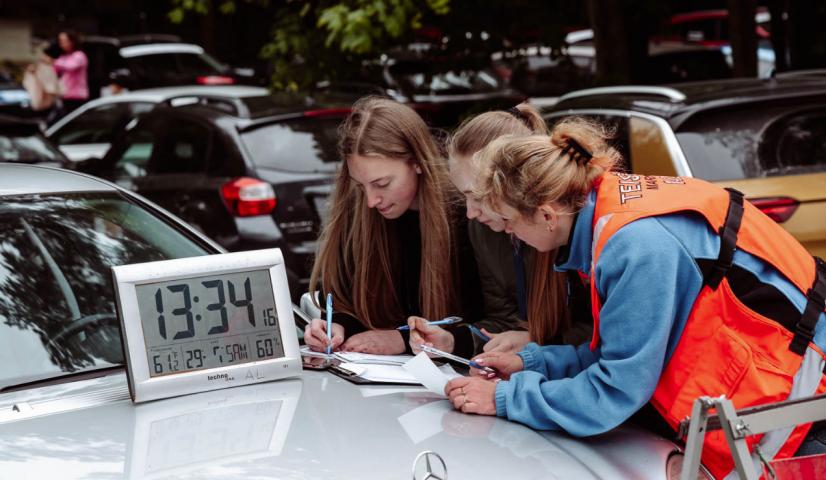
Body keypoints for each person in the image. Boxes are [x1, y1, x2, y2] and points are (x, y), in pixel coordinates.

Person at [444, 117, 826, 479]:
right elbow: (619, 353)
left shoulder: (633, 245)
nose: (511, 235)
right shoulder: (609, 213)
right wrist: (533, 363)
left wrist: (506, 399)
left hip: (805, 411)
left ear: (546, 215)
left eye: (509, 223)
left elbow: (615, 390)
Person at [408, 104, 592, 356]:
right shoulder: (482, 230)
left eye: (479, 196)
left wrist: (537, 343)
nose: (470, 213)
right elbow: (503, 321)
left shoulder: (572, 229)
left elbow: (604, 336)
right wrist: (453, 342)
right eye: (464, 197)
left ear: (512, 184)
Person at [303, 97, 481, 356]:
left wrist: (402, 339)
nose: (371, 201)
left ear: (417, 162)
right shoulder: (359, 212)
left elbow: (491, 324)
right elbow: (351, 301)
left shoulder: (468, 215)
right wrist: (338, 326)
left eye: (382, 183)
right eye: (360, 185)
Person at [42, 30, 88, 116]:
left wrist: (52, 61)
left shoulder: (79, 55)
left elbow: (70, 66)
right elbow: (54, 71)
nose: (62, 44)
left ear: (72, 41)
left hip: (77, 97)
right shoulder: (63, 57)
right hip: (65, 95)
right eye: (61, 41)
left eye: (65, 41)